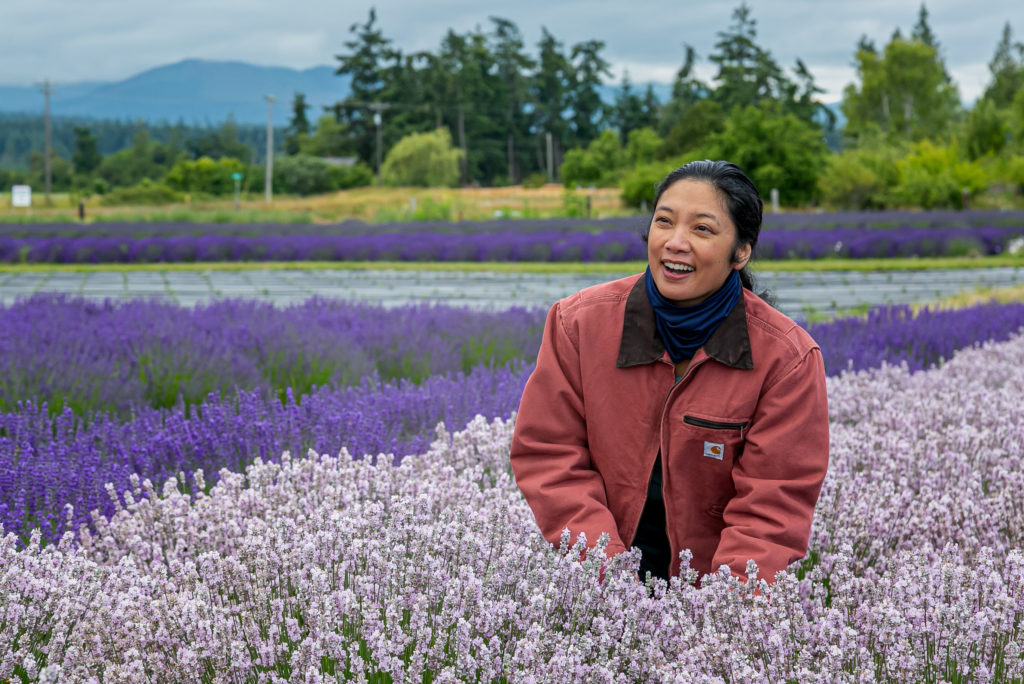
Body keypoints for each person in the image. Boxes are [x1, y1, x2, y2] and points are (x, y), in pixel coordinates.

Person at [509, 160, 829, 584]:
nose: (675, 243)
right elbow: (550, 457)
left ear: (742, 251)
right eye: (664, 222)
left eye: (702, 229)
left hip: (714, 609)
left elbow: (772, 504)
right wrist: (609, 581)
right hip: (599, 595)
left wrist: (721, 618)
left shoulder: (786, 359)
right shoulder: (579, 324)